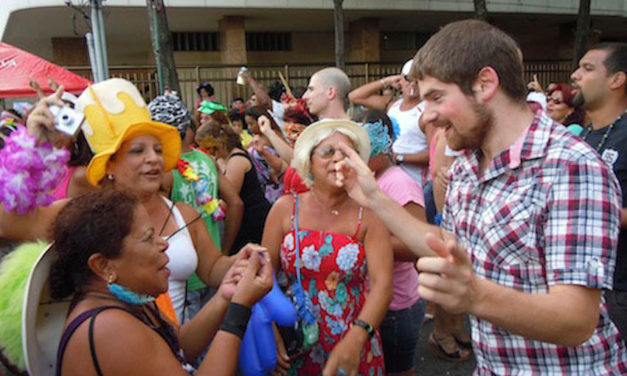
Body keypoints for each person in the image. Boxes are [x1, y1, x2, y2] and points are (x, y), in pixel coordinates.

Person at [333, 20, 627, 375]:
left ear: (485, 83)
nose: (427, 116)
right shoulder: (468, 164)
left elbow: (576, 319)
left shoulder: (572, 167)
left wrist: (475, 296)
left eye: (437, 97)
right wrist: (374, 198)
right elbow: (448, 243)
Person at [0, 79, 236, 324]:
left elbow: (213, 268)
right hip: (110, 349)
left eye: (157, 149)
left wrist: (248, 261)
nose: (153, 158)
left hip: (175, 349)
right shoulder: (82, 217)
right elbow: (9, 224)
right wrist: (32, 143)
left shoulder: (182, 213)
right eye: (138, 150)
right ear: (109, 165)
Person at [50, 190, 272, 375]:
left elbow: (179, 346)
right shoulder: (108, 328)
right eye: (148, 238)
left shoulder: (128, 299)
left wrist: (225, 297)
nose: (164, 244)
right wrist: (238, 310)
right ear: (103, 266)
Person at [262, 119, 392, 376]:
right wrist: (270, 331)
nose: (338, 159)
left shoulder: (369, 214)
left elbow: (383, 285)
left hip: (354, 342)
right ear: (308, 161)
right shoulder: (285, 209)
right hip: (295, 342)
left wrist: (356, 339)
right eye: (328, 152)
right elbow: (263, 276)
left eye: (347, 153)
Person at [362, 111, 428, 376]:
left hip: (398, 306)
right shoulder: (372, 180)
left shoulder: (400, 184)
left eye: (366, 147)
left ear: (385, 145)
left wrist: (368, 242)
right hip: (379, 300)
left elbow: (416, 245)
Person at [572, 42, 627, 340]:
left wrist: (597, 215)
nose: (575, 75)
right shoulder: (583, 138)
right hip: (586, 282)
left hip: (621, 287)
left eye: (588, 68)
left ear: (617, 80)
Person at [349, 60, 434, 186]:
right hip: (390, 179)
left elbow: (433, 153)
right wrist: (387, 81)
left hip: (416, 183)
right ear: (401, 80)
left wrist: (400, 157)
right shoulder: (392, 105)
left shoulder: (427, 111)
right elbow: (355, 97)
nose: (413, 84)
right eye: (409, 78)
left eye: (418, 79)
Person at [195, 119, 271, 256]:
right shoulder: (221, 159)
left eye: (209, 148)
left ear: (219, 144)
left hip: (252, 221)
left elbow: (228, 198)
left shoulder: (237, 160)